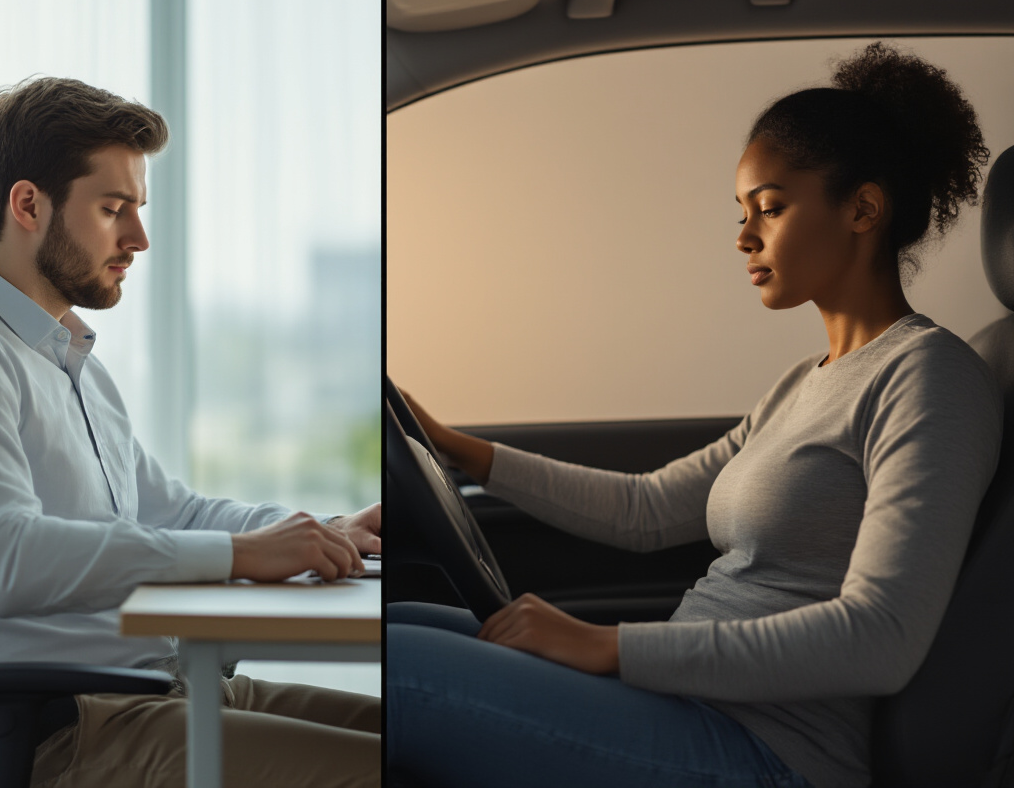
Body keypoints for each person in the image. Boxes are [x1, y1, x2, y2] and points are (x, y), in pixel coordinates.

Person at [387, 42, 1001, 788]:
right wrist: (455, 447)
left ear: (862, 209)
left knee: (399, 670)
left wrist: (608, 645)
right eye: (742, 213)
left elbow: (881, 636)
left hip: (765, 750)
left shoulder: (931, 379)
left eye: (769, 208)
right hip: (682, 705)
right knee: (398, 625)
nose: (743, 237)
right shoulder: (803, 383)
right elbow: (645, 509)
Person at [0, 75, 380, 788]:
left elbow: (175, 513)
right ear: (28, 205)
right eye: (112, 209)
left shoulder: (69, 359)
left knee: (439, 739)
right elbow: (0, 561)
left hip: (158, 694)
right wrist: (240, 554)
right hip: (61, 735)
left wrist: (313, 531)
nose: (138, 238)